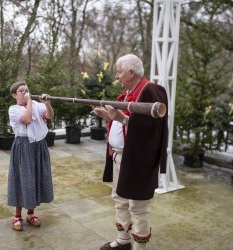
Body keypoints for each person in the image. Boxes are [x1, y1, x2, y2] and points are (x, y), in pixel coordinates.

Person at [92, 54, 168, 250]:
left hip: (138, 159)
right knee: (120, 198)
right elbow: (126, 118)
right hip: (119, 155)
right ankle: (123, 239)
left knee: (138, 205)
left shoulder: (151, 90)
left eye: (119, 71)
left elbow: (152, 128)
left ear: (131, 72)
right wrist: (109, 116)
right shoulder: (128, 92)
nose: (117, 76)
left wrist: (121, 118)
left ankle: (139, 247)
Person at [7, 80, 54, 231]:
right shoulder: (13, 109)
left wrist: (47, 104)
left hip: (39, 146)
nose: (26, 93)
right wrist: (29, 102)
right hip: (23, 146)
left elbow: (50, 116)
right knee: (23, 180)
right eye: (21, 91)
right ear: (14, 95)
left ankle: (31, 213)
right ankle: (17, 215)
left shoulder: (36, 105)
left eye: (27, 90)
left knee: (37, 178)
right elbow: (27, 120)